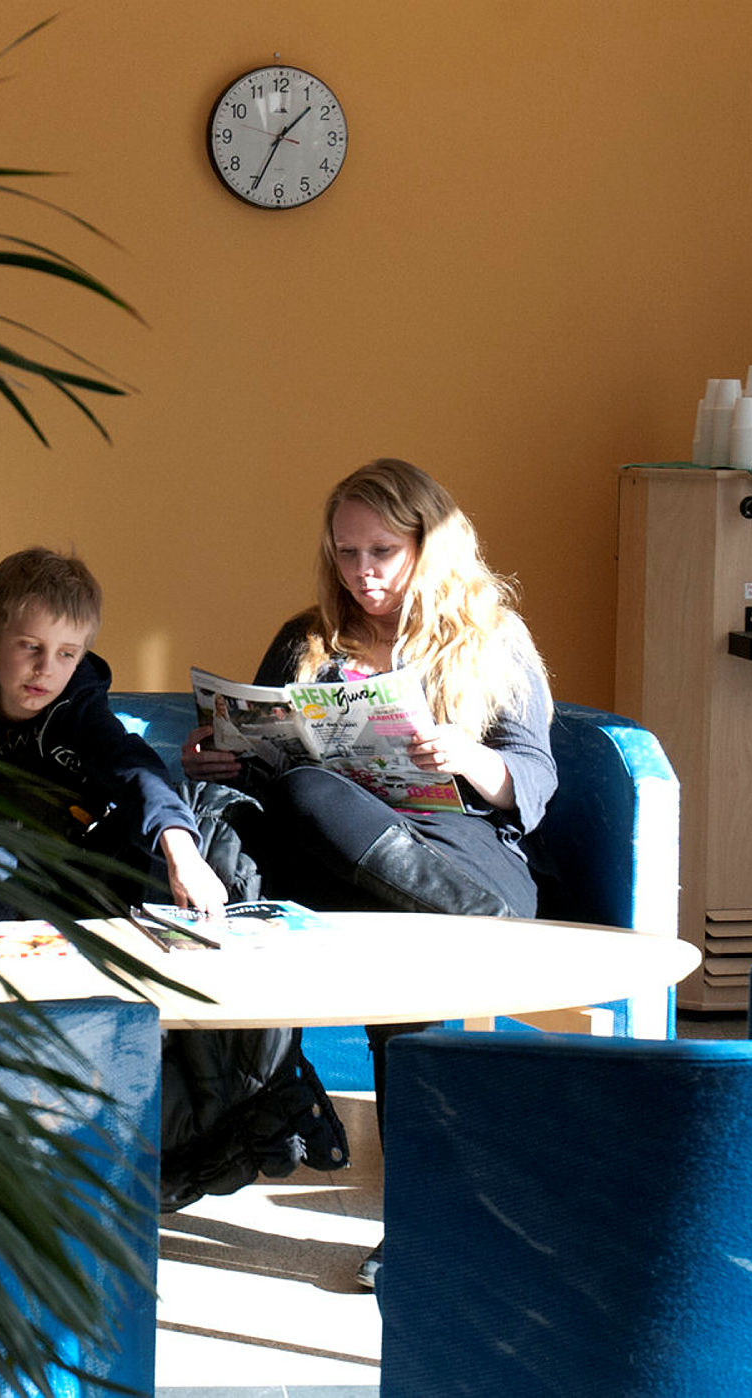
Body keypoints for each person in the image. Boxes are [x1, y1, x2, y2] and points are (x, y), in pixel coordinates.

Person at [179, 457, 556, 1288]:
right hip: (341, 863)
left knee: (339, 848)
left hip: (462, 853)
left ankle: (415, 1221)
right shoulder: (308, 640)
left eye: (382, 551)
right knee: (293, 797)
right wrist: (217, 759)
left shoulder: (490, 640)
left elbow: (532, 778)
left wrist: (467, 756)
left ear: (428, 545)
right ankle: (415, 1221)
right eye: (346, 553)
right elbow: (266, 764)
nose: (363, 572)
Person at [0, 546, 230, 918]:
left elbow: (131, 764)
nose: (45, 669)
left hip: (73, 858)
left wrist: (182, 852)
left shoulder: (78, 705)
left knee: (161, 826)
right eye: (31, 647)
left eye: (66, 654)